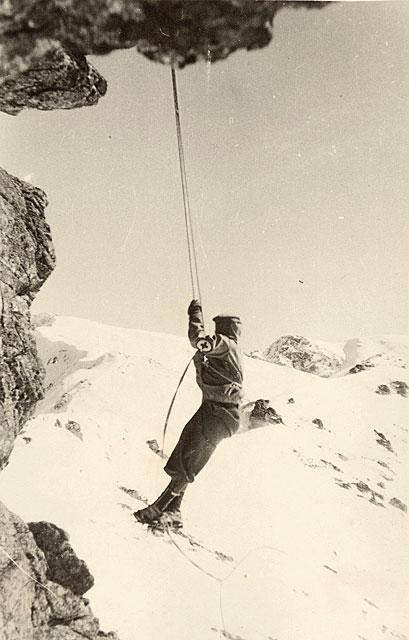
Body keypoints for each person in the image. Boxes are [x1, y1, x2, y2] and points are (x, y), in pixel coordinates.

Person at [133, 299, 243, 528]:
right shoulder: (229, 350)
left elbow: (198, 340)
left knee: (189, 460)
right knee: (186, 455)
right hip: (218, 413)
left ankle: (159, 509)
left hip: (218, 413)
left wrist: (195, 314)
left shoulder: (223, 344)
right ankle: (173, 511)